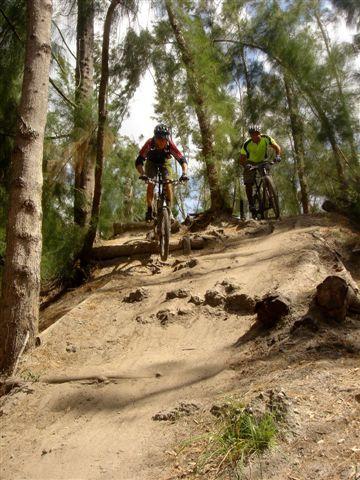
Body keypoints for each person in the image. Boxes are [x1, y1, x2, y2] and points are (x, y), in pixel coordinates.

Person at [135, 124, 188, 221]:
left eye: (164, 139)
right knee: (151, 183)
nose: (162, 142)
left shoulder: (170, 145)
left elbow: (182, 160)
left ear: (167, 138)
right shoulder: (149, 144)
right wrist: (143, 174)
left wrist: (184, 173)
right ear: (155, 138)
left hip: (165, 162)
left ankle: (169, 210)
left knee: (168, 183)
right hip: (151, 163)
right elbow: (138, 162)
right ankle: (150, 209)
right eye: (159, 139)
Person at [239, 125, 281, 216]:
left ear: (260, 133)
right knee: (248, 183)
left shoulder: (266, 138)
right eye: (253, 134)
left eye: (257, 133)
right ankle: (251, 204)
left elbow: (277, 147)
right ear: (250, 136)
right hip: (250, 162)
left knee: (267, 176)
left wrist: (278, 156)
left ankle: (271, 196)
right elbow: (241, 160)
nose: (256, 136)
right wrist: (246, 165)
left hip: (263, 161)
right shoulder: (247, 144)